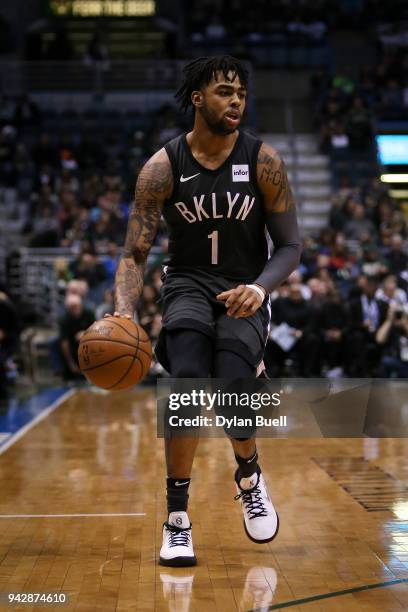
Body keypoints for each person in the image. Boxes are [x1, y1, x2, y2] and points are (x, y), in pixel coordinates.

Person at [113, 56, 301, 566]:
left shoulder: (264, 162)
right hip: (188, 284)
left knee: (235, 385)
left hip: (245, 286)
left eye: (240, 92)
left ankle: (250, 474)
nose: (235, 99)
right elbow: (135, 252)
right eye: (224, 91)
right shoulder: (163, 166)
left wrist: (261, 289)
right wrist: (123, 312)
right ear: (198, 98)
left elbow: (289, 246)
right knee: (189, 380)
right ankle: (177, 519)